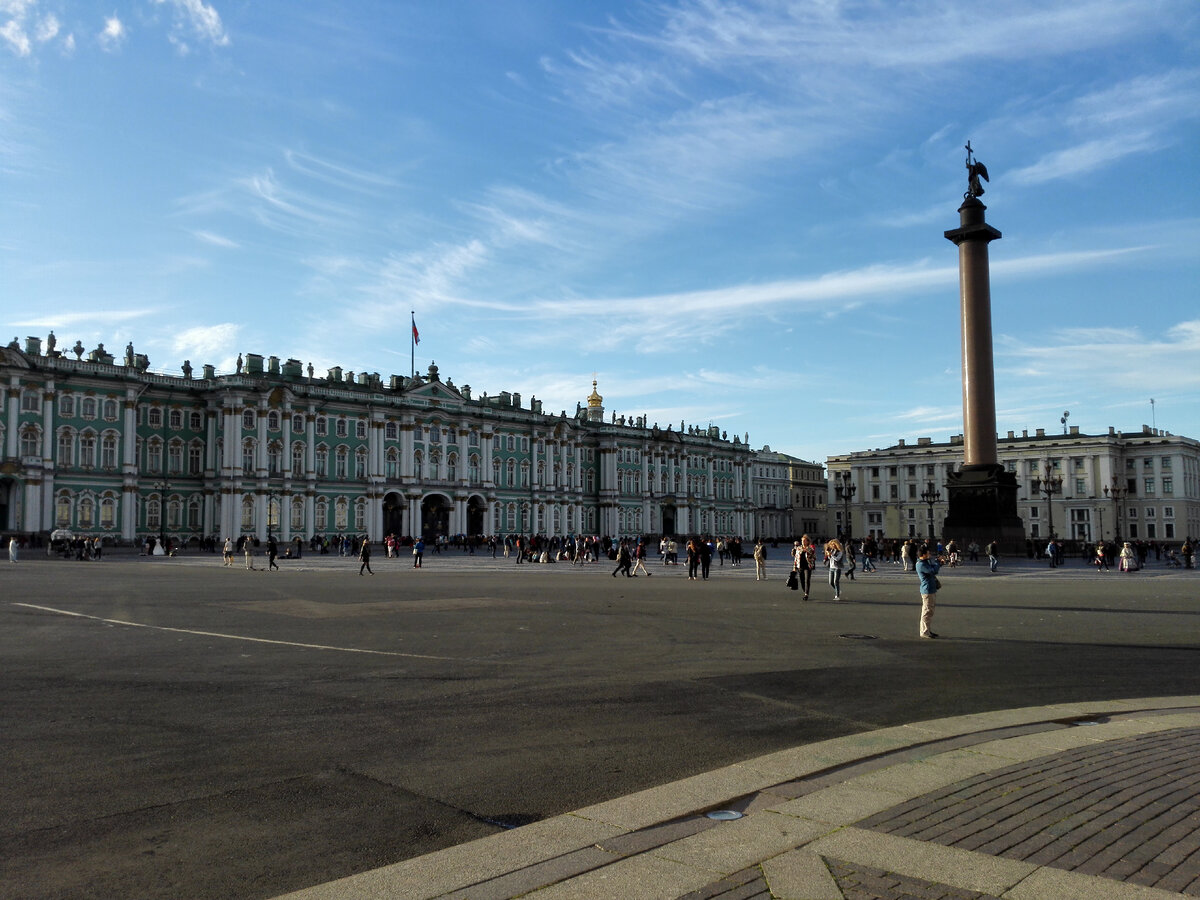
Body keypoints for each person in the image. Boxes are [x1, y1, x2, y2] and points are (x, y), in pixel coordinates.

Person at [916, 547, 942, 638]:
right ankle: (924, 632)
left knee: (929, 611)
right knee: (927, 612)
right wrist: (938, 563)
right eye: (928, 553)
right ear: (923, 555)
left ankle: (927, 630)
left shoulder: (925, 562)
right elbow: (933, 571)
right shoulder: (921, 564)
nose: (929, 555)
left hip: (931, 589)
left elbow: (933, 568)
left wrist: (938, 562)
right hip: (927, 590)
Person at [793, 535, 815, 600]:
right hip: (800, 566)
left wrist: (809, 553)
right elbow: (796, 558)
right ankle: (804, 590)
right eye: (802, 541)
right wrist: (795, 566)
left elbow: (814, 557)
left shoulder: (810, 548)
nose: (803, 542)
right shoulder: (798, 548)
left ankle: (806, 594)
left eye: (804, 541)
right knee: (802, 580)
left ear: (808, 541)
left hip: (808, 566)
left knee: (807, 580)